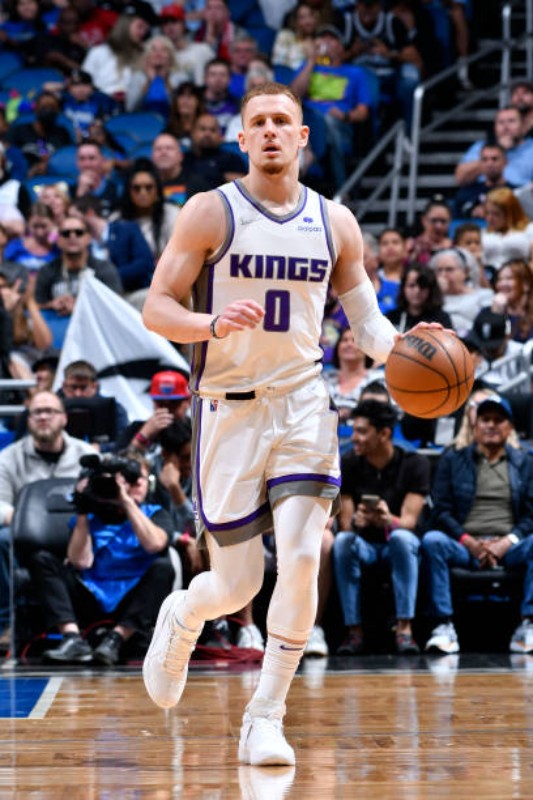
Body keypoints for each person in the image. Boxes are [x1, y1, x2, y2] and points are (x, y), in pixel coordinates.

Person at [139, 81, 431, 767]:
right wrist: (211, 322)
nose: (270, 130)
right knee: (236, 585)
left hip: (303, 402)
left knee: (302, 557)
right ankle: (185, 613)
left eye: (282, 121)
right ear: (242, 138)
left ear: (301, 137)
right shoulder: (210, 211)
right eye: (258, 122)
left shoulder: (335, 222)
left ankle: (265, 716)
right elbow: (156, 307)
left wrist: (408, 348)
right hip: (227, 407)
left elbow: (367, 325)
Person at [30, 451, 175, 665]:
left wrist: (126, 501)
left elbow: (154, 544)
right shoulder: (90, 516)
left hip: (132, 601)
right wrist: (82, 507)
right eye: (127, 481)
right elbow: (80, 562)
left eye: (138, 479)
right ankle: (72, 638)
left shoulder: (155, 513)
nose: (135, 484)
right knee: (42, 560)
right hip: (91, 595)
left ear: (149, 484)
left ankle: (116, 638)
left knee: (164, 568)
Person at [421, 394, 533, 655]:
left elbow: (531, 515)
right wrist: (469, 542)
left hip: (509, 546)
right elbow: (441, 512)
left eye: (498, 420)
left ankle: (528, 624)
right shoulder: (453, 460)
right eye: (485, 419)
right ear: (475, 425)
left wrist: (507, 542)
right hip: (464, 545)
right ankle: (443, 626)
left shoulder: (525, 463)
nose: (491, 425)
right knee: (433, 541)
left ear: (510, 427)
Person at [333, 399, 431, 655]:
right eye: (354, 430)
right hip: (364, 544)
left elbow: (409, 523)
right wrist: (357, 521)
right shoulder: (349, 462)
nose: (354, 438)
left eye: (362, 431)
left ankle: (405, 629)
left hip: (396, 544)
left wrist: (389, 520)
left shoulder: (414, 464)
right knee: (343, 541)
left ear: (384, 434)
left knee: (401, 538)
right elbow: (345, 525)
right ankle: (354, 632)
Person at [0, 391, 96, 647]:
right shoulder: (8, 458)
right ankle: (6, 623)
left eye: (50, 411)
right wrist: (25, 521)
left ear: (64, 418)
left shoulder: (86, 454)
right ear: (28, 420)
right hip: (28, 541)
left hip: (78, 535)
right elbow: (1, 504)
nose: (43, 417)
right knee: (2, 539)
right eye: (37, 412)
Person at [290, 24, 372, 188]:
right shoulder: (307, 67)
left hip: (339, 123)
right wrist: (311, 61)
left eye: (331, 39)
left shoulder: (355, 73)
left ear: (342, 47)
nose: (325, 42)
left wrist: (345, 116)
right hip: (308, 119)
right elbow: (293, 96)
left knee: (329, 123)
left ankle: (338, 184)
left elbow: (363, 111)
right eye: (321, 38)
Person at [70, 195, 155, 296]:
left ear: (90, 213)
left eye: (75, 217)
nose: (72, 223)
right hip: (99, 297)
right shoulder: (83, 243)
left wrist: (110, 276)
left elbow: (145, 263)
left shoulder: (126, 230)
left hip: (132, 292)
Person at [111, 160, 179, 261]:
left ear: (157, 191)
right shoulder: (116, 219)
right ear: (129, 192)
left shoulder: (172, 214)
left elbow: (178, 255)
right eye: (136, 188)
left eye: (149, 187)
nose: (143, 193)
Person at [455, 106, 533, 190]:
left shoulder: (531, 149)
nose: (506, 127)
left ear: (523, 125)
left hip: (521, 194)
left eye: (511, 121)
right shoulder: (481, 147)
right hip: (484, 193)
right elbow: (460, 179)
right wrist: (498, 149)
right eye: (501, 122)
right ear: (494, 127)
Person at [117, 370, 192, 454]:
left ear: (188, 402)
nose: (166, 410)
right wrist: (142, 437)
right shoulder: (136, 429)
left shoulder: (196, 429)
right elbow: (117, 459)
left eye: (174, 404)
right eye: (160, 403)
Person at [428, 247, 493, 337]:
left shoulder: (484, 295)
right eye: (439, 270)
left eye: (449, 269)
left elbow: (487, 328)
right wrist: (438, 293)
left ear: (465, 272)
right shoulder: (431, 299)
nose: (443, 275)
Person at [386, 263, 453, 333]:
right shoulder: (392, 317)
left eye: (422, 286)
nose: (417, 291)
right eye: (411, 285)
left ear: (431, 289)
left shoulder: (441, 319)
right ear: (403, 288)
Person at [157, 4, 214, 87]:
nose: (170, 26)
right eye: (165, 23)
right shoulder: (160, 57)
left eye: (174, 21)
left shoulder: (202, 50)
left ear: (183, 25)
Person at [454, 143, 513, 220]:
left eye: (494, 159)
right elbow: (456, 223)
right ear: (480, 163)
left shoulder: (515, 193)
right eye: (485, 159)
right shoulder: (466, 195)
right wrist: (471, 213)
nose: (489, 164)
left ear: (505, 162)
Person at [481, 187, 533, 272]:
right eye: (487, 213)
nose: (489, 218)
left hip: (521, 276)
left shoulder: (529, 229)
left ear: (510, 213)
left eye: (496, 214)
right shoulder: (482, 233)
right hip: (489, 275)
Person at [491, 258, 533, 343]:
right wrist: (496, 315)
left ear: (526, 284)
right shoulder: (486, 313)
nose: (502, 284)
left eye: (509, 278)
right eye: (499, 279)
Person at [407, 197, 452, 266]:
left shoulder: (455, 248)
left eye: (443, 221)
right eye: (434, 220)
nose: (438, 226)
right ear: (424, 220)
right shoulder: (410, 246)